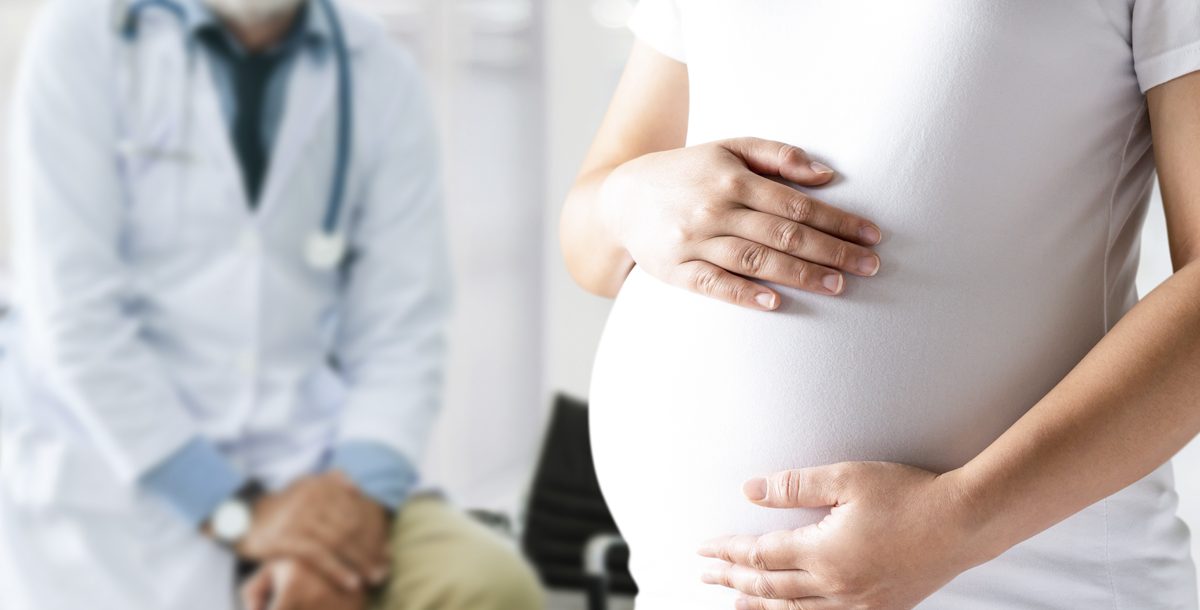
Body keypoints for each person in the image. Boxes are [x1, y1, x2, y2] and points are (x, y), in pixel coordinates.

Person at [563, 1, 1200, 608]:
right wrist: (628, 200)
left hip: (1019, 581)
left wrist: (961, 520)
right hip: (687, 586)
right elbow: (590, 249)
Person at [0, 0, 543, 609]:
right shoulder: (85, 36)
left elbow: (402, 330)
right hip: (110, 476)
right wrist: (238, 513)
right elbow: (76, 321)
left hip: (308, 462)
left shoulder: (377, 71)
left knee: (484, 587)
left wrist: (350, 517)